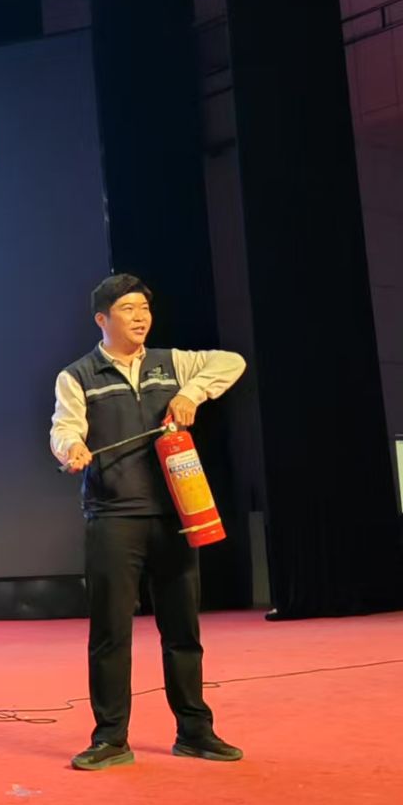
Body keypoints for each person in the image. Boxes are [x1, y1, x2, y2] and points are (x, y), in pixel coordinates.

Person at [50, 274, 247, 771]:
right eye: (128, 309)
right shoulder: (78, 375)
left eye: (144, 308)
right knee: (111, 632)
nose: (140, 317)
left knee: (182, 629)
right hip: (113, 516)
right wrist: (71, 448)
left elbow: (232, 362)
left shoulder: (171, 362)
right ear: (102, 319)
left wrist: (192, 393)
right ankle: (110, 738)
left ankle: (195, 732)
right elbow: (65, 427)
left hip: (173, 514)